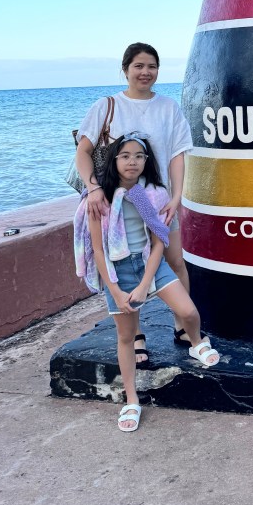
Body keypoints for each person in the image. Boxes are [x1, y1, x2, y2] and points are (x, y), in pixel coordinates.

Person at [74, 133, 220, 431]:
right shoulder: (99, 200)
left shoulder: (150, 194)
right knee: (126, 337)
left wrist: (144, 285)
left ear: (147, 161)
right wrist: (116, 290)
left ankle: (196, 342)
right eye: (126, 156)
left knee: (189, 312)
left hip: (149, 263)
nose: (133, 162)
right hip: (118, 271)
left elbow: (158, 242)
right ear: (114, 160)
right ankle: (131, 400)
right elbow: (98, 250)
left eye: (139, 156)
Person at [75, 42, 197, 364]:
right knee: (125, 267)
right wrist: (93, 188)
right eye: (138, 66)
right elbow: (83, 152)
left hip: (157, 201)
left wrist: (176, 196)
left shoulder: (168, 107)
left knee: (176, 260)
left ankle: (182, 325)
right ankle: (136, 333)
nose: (145, 72)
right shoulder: (106, 106)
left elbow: (177, 155)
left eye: (151, 66)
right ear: (125, 69)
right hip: (116, 207)